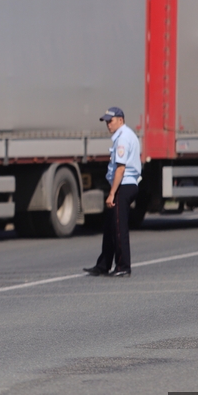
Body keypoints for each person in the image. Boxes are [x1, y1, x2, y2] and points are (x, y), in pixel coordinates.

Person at [84, 107, 142, 278]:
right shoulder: (124, 135)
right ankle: (103, 265)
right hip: (124, 185)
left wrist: (111, 193)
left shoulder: (123, 138)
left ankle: (123, 266)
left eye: (111, 121)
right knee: (110, 225)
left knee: (118, 228)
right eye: (106, 121)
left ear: (120, 120)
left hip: (123, 186)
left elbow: (120, 169)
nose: (108, 124)